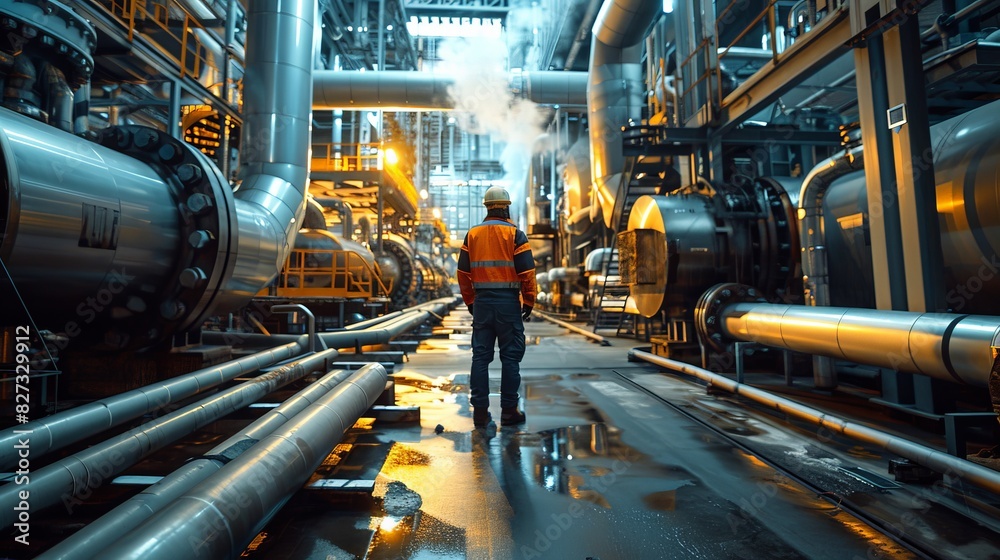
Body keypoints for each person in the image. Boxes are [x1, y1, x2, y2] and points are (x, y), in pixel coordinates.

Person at [457, 186, 536, 428]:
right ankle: (510, 411)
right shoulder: (515, 234)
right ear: (506, 207)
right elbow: (527, 272)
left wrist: (470, 300)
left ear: (487, 207)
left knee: (480, 357)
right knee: (510, 358)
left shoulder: (472, 235)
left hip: (482, 303)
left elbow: (462, 273)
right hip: (508, 304)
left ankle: (480, 413)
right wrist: (529, 299)